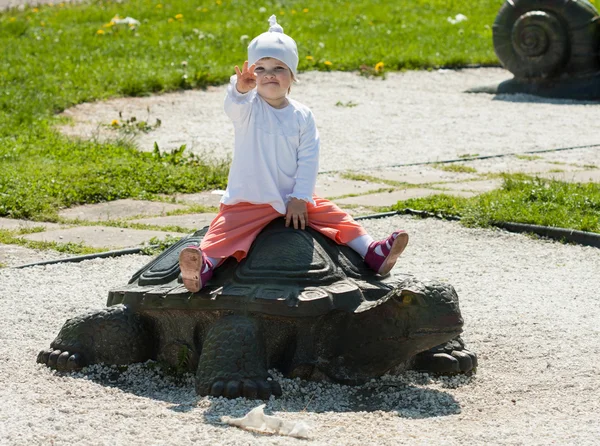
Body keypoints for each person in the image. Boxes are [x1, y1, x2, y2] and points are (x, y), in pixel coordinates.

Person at [179, 15, 408, 292]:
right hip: (250, 199)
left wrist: (300, 198)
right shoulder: (249, 108)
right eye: (260, 69)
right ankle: (203, 266)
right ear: (251, 74)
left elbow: (309, 158)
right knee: (225, 231)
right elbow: (233, 106)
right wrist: (240, 89)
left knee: (335, 217)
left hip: (292, 198)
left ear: (293, 76)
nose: (269, 74)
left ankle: (372, 251)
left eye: (278, 67)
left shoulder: (302, 115)